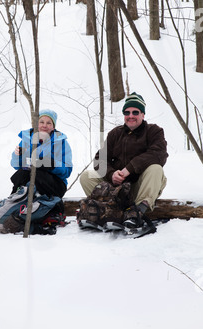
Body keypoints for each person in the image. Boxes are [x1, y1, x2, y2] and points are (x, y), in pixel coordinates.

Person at [80, 92, 168, 228]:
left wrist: (128, 169)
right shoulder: (115, 134)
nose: (131, 116)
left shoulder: (154, 131)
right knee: (87, 176)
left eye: (135, 112)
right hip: (118, 190)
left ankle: (137, 212)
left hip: (141, 187)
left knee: (156, 168)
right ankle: (110, 210)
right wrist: (111, 174)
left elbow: (158, 154)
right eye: (127, 112)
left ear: (143, 114)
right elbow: (99, 160)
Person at [10, 109, 73, 199]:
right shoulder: (27, 139)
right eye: (41, 122)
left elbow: (67, 171)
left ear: (53, 127)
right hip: (29, 181)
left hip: (55, 184)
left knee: (37, 174)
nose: (44, 125)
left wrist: (52, 165)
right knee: (21, 174)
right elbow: (16, 166)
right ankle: (13, 202)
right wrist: (18, 155)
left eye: (48, 123)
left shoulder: (61, 143)